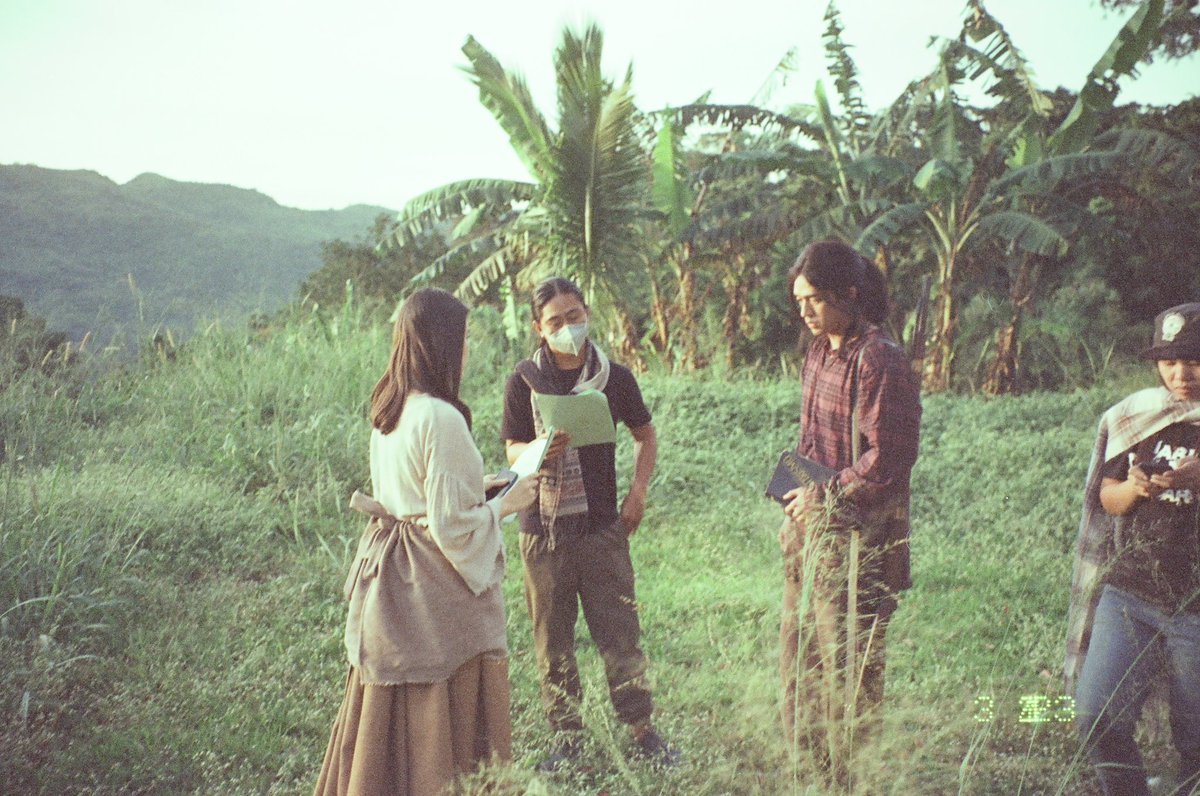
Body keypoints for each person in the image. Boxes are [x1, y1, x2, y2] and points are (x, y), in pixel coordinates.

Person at [314, 288, 538, 796]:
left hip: (392, 574)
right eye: (461, 339)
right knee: (446, 681)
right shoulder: (442, 417)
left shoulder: (390, 412)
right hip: (434, 581)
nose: (466, 351)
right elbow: (452, 528)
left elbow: (414, 497)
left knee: (398, 687)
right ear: (440, 343)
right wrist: (508, 501)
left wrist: (479, 490)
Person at [500, 276, 677, 770]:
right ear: (539, 328)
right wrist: (538, 449)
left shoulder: (615, 378)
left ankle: (642, 728)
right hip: (544, 531)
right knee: (552, 640)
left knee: (619, 630)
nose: (567, 328)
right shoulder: (524, 381)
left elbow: (645, 435)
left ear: (587, 314)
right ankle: (568, 737)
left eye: (574, 316)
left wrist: (638, 492)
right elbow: (512, 448)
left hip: (602, 528)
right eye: (555, 321)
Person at [778, 240, 921, 767]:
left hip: (862, 537)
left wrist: (825, 494)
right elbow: (811, 439)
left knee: (850, 663)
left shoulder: (879, 359)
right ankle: (810, 767)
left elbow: (889, 459)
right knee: (801, 654)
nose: (805, 311)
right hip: (810, 527)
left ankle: (853, 773)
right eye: (799, 301)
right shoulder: (818, 350)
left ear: (849, 294)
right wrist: (795, 495)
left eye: (814, 299)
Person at [1066, 302, 1200, 796]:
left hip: (1196, 608)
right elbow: (1108, 498)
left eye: (1193, 360)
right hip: (1132, 593)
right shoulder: (1138, 415)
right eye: (1169, 362)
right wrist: (1136, 489)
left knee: (1196, 740)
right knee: (1096, 714)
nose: (1180, 373)